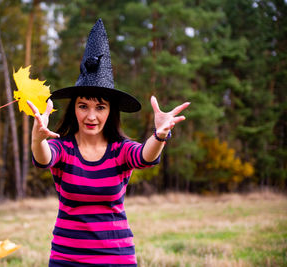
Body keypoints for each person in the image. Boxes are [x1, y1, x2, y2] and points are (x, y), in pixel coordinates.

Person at [27, 19, 190, 267]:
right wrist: (37, 139)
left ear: (110, 111)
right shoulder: (63, 148)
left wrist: (159, 136)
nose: (91, 116)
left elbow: (145, 157)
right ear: (74, 110)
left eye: (100, 107)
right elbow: (44, 158)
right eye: (83, 106)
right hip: (66, 259)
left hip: (117, 259)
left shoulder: (120, 150)